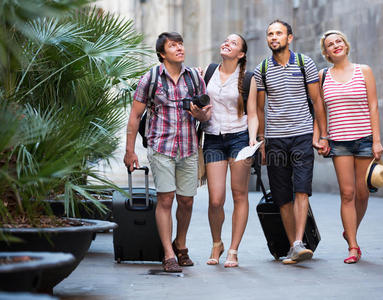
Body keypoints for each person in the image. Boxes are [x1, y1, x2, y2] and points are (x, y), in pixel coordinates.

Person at [123, 32, 211, 273]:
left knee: (187, 200)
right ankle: (169, 253)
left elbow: (207, 114)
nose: (180, 48)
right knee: (165, 199)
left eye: (181, 44)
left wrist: (200, 115)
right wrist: (129, 151)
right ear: (162, 53)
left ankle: (180, 244)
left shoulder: (194, 78)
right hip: (161, 147)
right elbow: (135, 117)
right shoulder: (150, 79)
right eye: (173, 45)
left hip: (189, 147)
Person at [253, 20, 329, 265]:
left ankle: (298, 242)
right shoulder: (262, 69)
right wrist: (262, 142)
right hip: (275, 140)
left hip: (302, 135)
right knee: (282, 195)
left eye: (279, 33)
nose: (274, 37)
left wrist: (322, 135)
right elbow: (261, 109)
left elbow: (317, 102)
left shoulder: (304, 63)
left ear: (290, 37)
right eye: (270, 34)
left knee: (301, 189)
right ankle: (292, 246)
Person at [318, 30, 383, 264]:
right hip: (339, 142)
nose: (335, 46)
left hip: (365, 139)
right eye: (330, 44)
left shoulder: (363, 71)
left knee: (363, 193)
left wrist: (377, 140)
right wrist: (321, 137)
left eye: (339, 42)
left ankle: (350, 228)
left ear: (345, 45)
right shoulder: (323, 76)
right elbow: (319, 112)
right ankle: (353, 246)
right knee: (347, 193)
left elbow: (373, 107)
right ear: (326, 52)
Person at [202, 34, 258, 267]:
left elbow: (253, 113)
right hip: (213, 138)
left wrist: (253, 140)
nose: (226, 43)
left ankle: (233, 249)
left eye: (233, 43)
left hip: (239, 139)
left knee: (239, 194)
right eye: (225, 40)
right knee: (215, 200)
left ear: (241, 54)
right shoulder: (208, 71)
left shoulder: (248, 78)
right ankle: (217, 243)